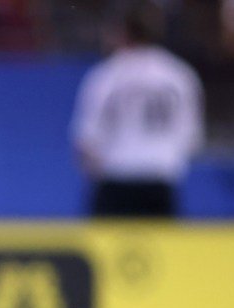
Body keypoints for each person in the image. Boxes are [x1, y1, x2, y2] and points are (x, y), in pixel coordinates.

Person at [70, 0, 204, 218]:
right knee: (160, 251)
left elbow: (86, 142)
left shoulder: (106, 76)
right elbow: (191, 139)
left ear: (121, 31)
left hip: (115, 181)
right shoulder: (180, 76)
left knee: (110, 252)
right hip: (160, 182)